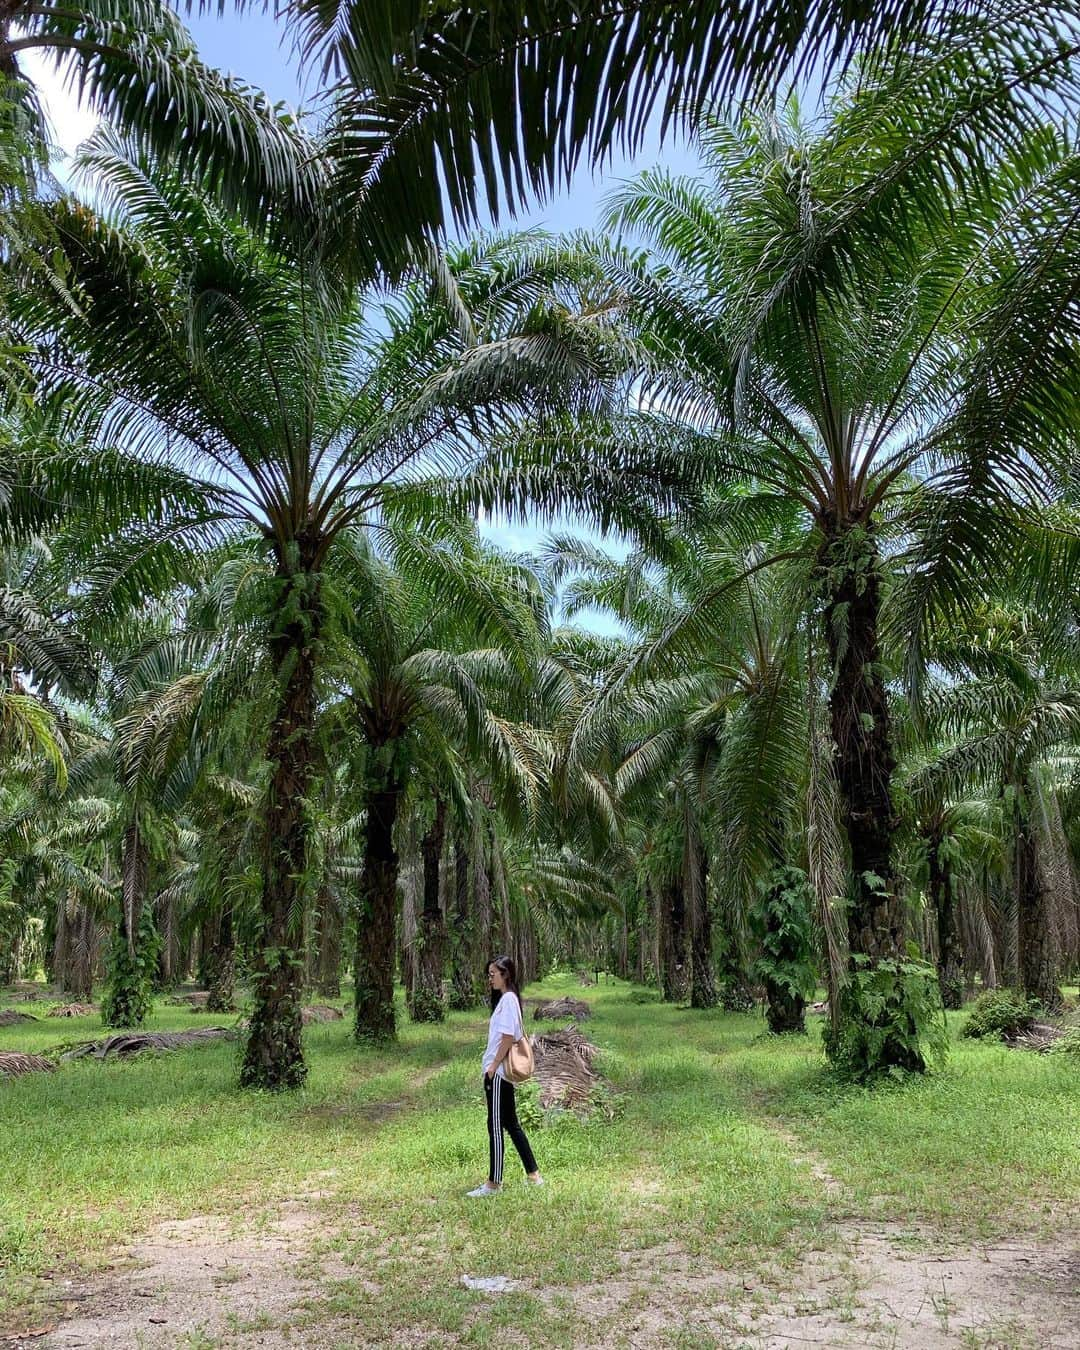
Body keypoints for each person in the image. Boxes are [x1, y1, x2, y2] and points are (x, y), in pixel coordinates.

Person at [466, 954, 543, 1196]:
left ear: (505, 975)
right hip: (499, 1072)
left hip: (498, 1073)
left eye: (493, 974)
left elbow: (508, 1037)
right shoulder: (507, 1000)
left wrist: (493, 1066)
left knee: (496, 1125)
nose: (490, 979)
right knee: (511, 1123)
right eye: (489, 975)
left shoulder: (508, 1000)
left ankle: (494, 1183)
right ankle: (534, 1175)